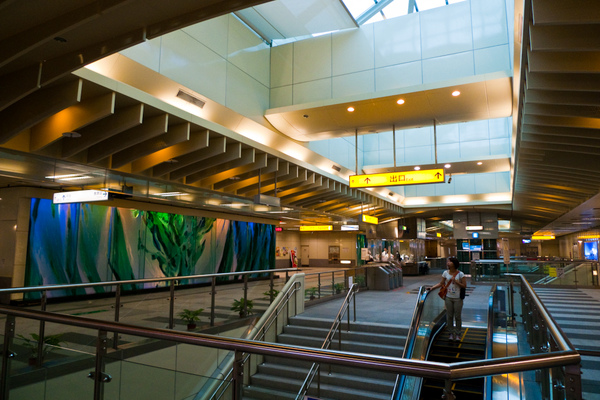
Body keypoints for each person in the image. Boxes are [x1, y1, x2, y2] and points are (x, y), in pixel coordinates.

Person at [429, 257, 466, 341]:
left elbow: (464, 285)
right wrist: (432, 288)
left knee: (457, 316)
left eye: (450, 261)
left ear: (454, 263)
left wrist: (456, 281)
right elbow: (441, 283)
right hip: (448, 297)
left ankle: (458, 333)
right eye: (448, 261)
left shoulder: (461, 274)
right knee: (449, 316)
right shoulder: (445, 273)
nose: (448, 263)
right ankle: (450, 333)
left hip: (458, 298)